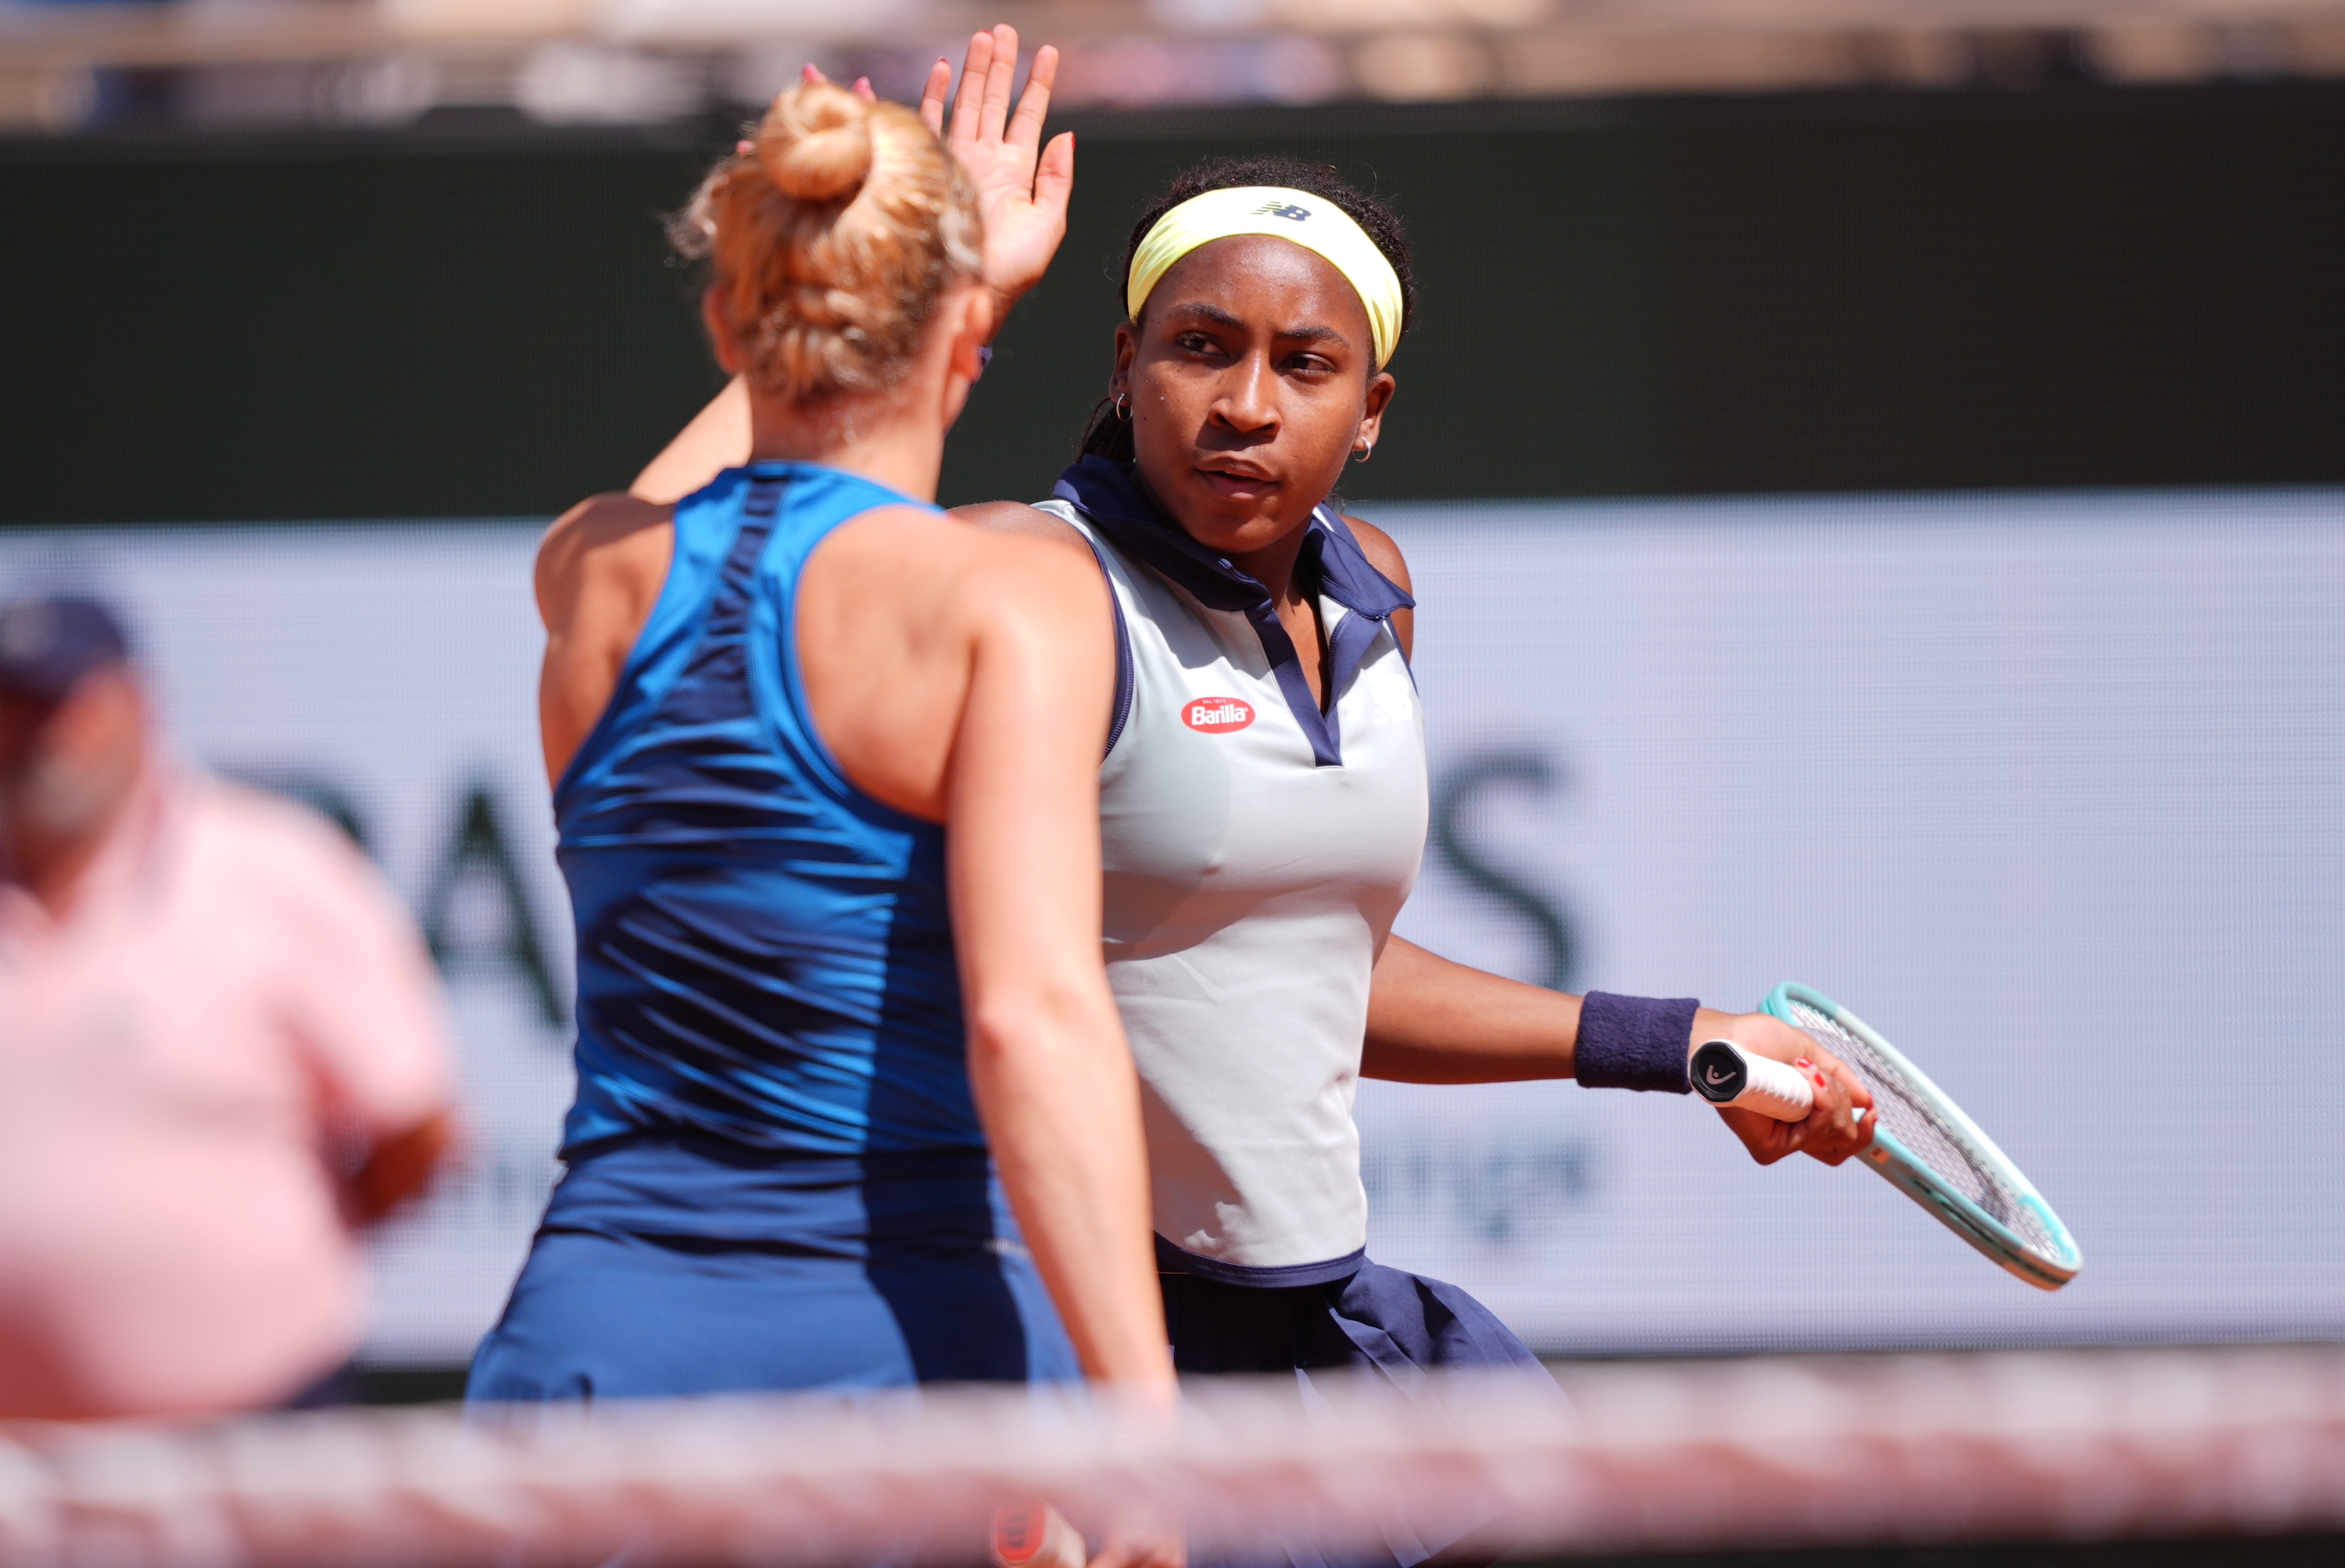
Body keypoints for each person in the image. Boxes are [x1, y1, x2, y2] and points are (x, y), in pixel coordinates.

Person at [641, 130, 1881, 1394]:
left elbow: (1312, 964)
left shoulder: (1376, 591)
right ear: (1127, 369)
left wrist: (1681, 1045)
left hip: (1299, 1329)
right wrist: (929, 302)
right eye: (1200, 347)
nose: (1245, 403)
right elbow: (646, 587)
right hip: (1051, 1331)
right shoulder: (1025, 578)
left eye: (1305, 365)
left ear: (1370, 410)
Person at [465, 56, 1177, 1448]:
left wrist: (853, 292)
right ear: (967, 326)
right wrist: (1143, 1426)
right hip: (906, 1367)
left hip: (593, 1356)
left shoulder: (594, 572)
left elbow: (680, 498)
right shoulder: (1005, 601)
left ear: (732, 322)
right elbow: (1028, 1020)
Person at [0, 593, 457, 1419]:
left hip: (263, 1424)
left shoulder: (272, 867)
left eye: (62, 704)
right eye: (13, 707)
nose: (36, 735)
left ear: (138, 706)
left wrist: (253, 1258)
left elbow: (413, 1130)